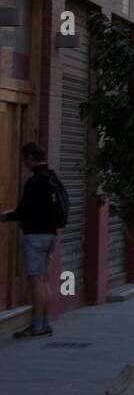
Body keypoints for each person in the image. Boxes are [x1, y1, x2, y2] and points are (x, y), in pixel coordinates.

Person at [2, 143, 65, 338]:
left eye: (24, 159)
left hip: (35, 236)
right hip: (51, 236)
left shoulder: (34, 181)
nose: (23, 163)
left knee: (35, 281)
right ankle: (45, 323)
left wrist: (5, 216)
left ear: (30, 157)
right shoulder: (54, 178)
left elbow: (23, 211)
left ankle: (36, 326)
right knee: (44, 280)